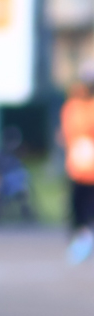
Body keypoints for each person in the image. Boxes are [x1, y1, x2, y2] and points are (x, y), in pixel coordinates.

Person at [59, 68, 94, 264]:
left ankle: (85, 240)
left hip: (90, 170)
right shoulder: (72, 107)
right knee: (76, 210)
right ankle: (82, 240)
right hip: (77, 169)